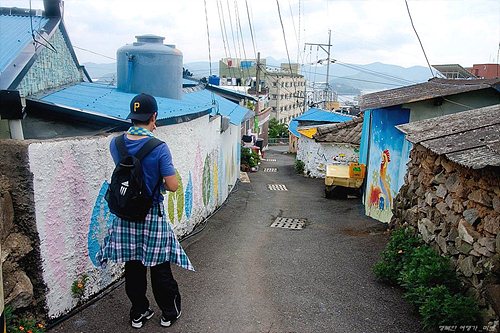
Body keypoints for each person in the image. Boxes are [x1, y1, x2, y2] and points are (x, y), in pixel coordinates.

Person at [98, 93, 194, 329]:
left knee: (133, 265)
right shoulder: (159, 148)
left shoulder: (116, 144)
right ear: (154, 117)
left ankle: (139, 311)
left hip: (125, 214)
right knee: (159, 265)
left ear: (132, 116)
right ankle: (168, 313)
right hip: (151, 214)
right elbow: (172, 185)